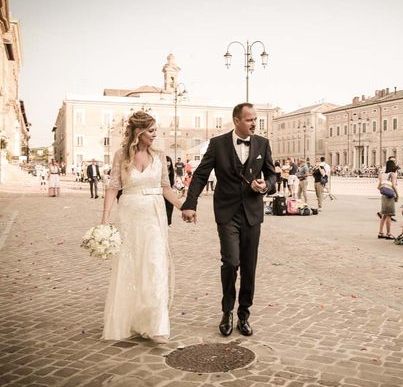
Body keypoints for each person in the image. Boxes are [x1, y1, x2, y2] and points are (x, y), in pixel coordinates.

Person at [181, 103, 276, 337]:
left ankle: (244, 313)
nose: (254, 123)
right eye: (249, 119)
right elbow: (201, 174)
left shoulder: (262, 143)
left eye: (256, 119)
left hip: (252, 214)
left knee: (249, 266)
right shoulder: (218, 144)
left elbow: (272, 173)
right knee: (231, 262)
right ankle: (227, 312)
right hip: (227, 213)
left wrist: (266, 186)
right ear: (236, 121)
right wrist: (190, 203)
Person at [100, 111, 182, 343]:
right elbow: (113, 187)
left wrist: (182, 206)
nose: (156, 135)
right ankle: (131, 319)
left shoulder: (160, 156)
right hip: (129, 216)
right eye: (152, 131)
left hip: (154, 217)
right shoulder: (121, 156)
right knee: (130, 266)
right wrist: (105, 219)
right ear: (139, 132)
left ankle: (156, 326)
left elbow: (166, 187)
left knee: (155, 265)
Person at [378, 158, 398, 240]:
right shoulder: (392, 174)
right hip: (390, 195)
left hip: (383, 195)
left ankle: (380, 232)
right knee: (389, 215)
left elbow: (378, 186)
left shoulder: (383, 174)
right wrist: (397, 195)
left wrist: (383, 190)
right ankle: (388, 233)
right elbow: (393, 185)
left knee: (384, 215)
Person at [164, 155, 175, 226]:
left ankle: (169, 222)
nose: (167, 167)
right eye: (166, 165)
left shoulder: (171, 172)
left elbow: (172, 183)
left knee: (170, 206)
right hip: (161, 191)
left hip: (169, 191)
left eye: (169, 165)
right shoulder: (161, 171)